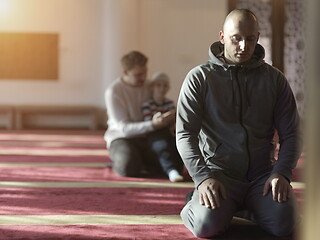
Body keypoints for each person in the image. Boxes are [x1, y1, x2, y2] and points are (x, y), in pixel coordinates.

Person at [176, 9, 302, 238]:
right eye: (237, 38)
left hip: (262, 176)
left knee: (286, 225)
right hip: (219, 174)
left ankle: (246, 208)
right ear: (222, 36)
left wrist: (281, 173)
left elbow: (292, 133)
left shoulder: (274, 80)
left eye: (250, 39)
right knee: (206, 227)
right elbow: (185, 134)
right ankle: (194, 203)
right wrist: (203, 178)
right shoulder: (200, 78)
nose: (244, 45)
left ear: (257, 37)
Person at [104, 51, 176, 177]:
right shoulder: (113, 91)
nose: (143, 78)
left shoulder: (149, 85)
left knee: (173, 165)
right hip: (122, 138)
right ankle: (125, 160)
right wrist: (153, 124)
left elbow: (161, 104)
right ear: (125, 72)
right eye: (138, 75)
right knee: (128, 167)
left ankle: (141, 160)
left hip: (147, 136)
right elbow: (124, 129)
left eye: (145, 73)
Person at [142, 72, 184, 182]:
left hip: (169, 132)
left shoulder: (169, 103)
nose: (162, 88)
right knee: (162, 146)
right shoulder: (148, 105)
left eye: (165, 86)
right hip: (155, 134)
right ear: (152, 87)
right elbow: (148, 123)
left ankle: (175, 168)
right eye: (158, 85)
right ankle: (171, 170)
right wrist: (160, 121)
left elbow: (175, 120)